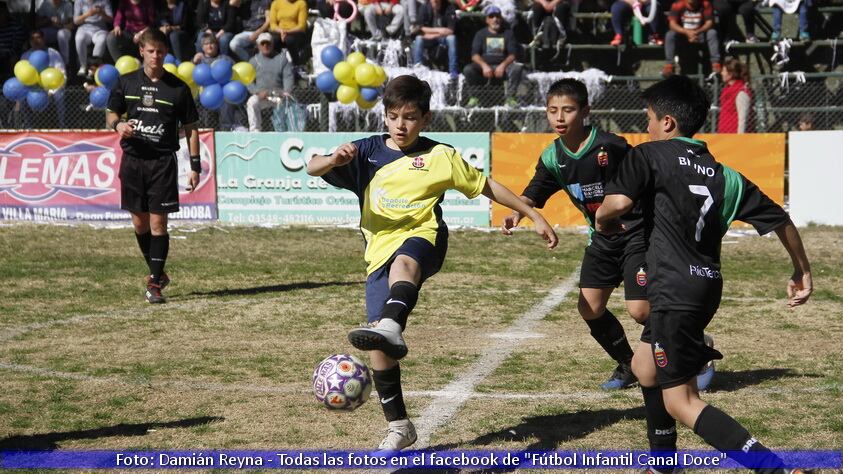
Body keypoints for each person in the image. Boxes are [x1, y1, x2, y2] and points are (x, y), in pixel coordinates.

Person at [307, 75, 558, 451]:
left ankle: (393, 323)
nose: (400, 125)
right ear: (385, 117)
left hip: (425, 238)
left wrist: (532, 214)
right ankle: (400, 427)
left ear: (425, 118)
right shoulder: (367, 152)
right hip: (378, 250)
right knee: (379, 348)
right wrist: (333, 159)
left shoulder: (440, 156)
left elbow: (486, 186)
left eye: (409, 117)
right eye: (393, 116)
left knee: (404, 264)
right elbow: (311, 166)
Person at [596, 75, 812, 473]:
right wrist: (802, 269)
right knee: (645, 367)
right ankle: (662, 464)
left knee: (682, 401)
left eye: (648, 119)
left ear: (667, 123)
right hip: (704, 286)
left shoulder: (650, 155)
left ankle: (777, 468)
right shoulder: (726, 175)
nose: (646, 127)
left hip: (672, 289)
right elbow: (781, 220)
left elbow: (615, 204)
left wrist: (603, 220)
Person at [502, 78, 645, 390]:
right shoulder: (553, 157)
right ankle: (628, 365)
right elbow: (533, 193)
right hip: (602, 238)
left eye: (568, 110)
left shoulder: (612, 146)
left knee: (640, 310)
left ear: (585, 112)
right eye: (553, 111)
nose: (559, 118)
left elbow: (644, 179)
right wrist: (517, 212)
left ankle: (692, 349)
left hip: (638, 234)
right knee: (589, 308)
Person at [106, 28, 200, 304]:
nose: (155, 56)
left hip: (162, 163)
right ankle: (158, 272)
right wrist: (118, 125)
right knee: (139, 223)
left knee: (159, 223)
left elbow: (192, 129)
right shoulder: (126, 83)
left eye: (160, 51)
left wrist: (195, 166)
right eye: (151, 51)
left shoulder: (178, 88)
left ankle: (154, 284)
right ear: (142, 52)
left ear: (166, 53)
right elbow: (111, 113)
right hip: (133, 161)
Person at [463, 5, 523, 108]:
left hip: (503, 68)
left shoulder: (508, 33)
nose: (495, 19)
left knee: (518, 68)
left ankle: (511, 98)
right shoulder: (480, 34)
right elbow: (474, 55)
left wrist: (503, 66)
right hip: (485, 68)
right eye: (491, 16)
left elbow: (513, 55)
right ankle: (474, 98)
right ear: (487, 20)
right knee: (468, 69)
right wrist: (484, 66)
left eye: (497, 16)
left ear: (501, 18)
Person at [193, 33, 243, 130]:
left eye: (212, 43)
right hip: (205, 95)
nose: (210, 46)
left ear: (217, 45)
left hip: (224, 95)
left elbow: (236, 75)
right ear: (202, 47)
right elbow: (191, 76)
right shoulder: (199, 60)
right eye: (206, 44)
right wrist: (194, 62)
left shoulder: (225, 59)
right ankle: (206, 128)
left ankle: (226, 130)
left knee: (226, 103)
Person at [245, 31, 293, 131]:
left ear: (272, 44)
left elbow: (288, 77)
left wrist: (286, 92)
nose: (265, 46)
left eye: (268, 43)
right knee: (252, 102)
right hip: (261, 95)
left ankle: (282, 130)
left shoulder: (282, 59)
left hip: (278, 95)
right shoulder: (253, 61)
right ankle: (255, 130)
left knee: (287, 103)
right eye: (262, 43)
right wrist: (257, 92)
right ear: (258, 46)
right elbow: (248, 81)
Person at [21, 29, 67, 128]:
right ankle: (28, 127)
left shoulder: (53, 53)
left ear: (43, 39)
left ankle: (62, 126)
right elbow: (22, 76)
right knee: (21, 97)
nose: (35, 41)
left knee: (59, 95)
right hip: (32, 88)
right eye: (32, 38)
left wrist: (51, 91)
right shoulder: (25, 56)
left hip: (50, 88)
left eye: (38, 37)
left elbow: (62, 74)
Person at [662, 0, 720, 77]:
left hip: (700, 34)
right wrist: (686, 32)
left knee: (712, 33)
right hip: (683, 35)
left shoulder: (705, 4)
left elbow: (709, 22)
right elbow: (672, 24)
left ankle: (715, 63)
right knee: (670, 35)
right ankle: (669, 65)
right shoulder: (677, 5)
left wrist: (697, 32)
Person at [412, 0, 458, 79]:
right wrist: (440, 31)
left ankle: (453, 71)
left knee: (452, 38)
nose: (435, 1)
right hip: (430, 37)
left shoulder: (449, 7)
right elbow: (420, 27)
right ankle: (417, 69)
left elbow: (451, 30)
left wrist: (434, 35)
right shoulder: (425, 7)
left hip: (442, 37)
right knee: (419, 38)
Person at [73, 0, 113, 76]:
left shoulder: (105, 1)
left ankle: (94, 67)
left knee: (102, 40)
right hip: (84, 29)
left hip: (100, 29)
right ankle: (83, 66)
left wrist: (101, 13)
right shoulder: (79, 1)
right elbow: (76, 21)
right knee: (79, 38)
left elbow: (111, 20)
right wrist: (88, 14)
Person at [267, 0, 308, 65]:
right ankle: (276, 63)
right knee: (274, 39)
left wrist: (286, 32)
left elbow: (302, 26)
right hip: (279, 31)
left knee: (289, 40)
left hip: (295, 31)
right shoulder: (276, 3)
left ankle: (297, 63)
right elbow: (272, 24)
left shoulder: (301, 3)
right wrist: (281, 31)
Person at [717, 58, 752, 133]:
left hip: (734, 138)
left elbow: (743, 118)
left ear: (731, 74)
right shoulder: (727, 91)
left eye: (724, 71)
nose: (721, 73)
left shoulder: (741, 93)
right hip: (724, 136)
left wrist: (739, 140)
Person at [35, 0, 74, 66]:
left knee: (61, 34)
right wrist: (49, 20)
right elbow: (37, 23)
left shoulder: (68, 4)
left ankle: (65, 63)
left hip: (64, 29)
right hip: (50, 29)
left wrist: (60, 25)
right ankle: (40, 60)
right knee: (40, 35)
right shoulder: (45, 3)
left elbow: (72, 25)